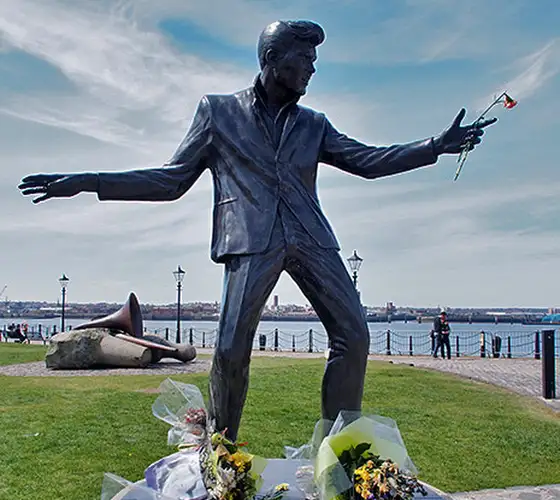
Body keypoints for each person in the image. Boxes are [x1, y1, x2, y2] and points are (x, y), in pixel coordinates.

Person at [18, 20, 495, 440]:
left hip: (311, 238)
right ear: (273, 58)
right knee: (230, 350)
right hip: (250, 241)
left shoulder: (314, 124)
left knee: (354, 335)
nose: (312, 68)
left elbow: (368, 160)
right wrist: (89, 182)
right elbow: (170, 181)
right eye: (305, 58)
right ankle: (221, 456)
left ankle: (340, 453)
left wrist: (434, 146)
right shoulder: (218, 112)